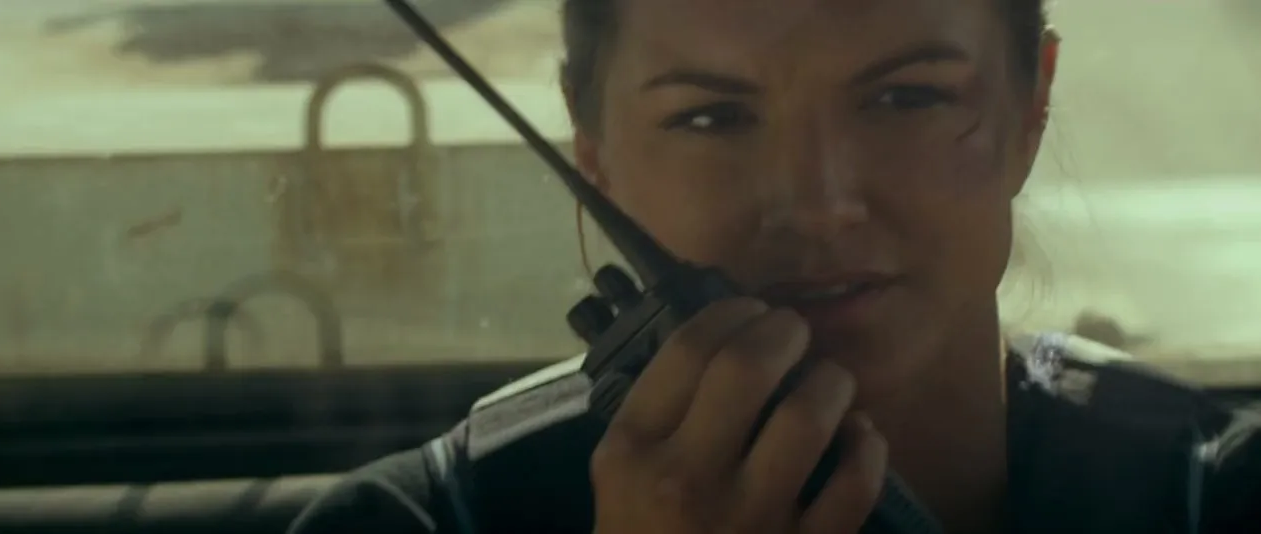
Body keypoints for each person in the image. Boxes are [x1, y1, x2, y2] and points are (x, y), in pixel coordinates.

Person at [289, 0, 1261, 532]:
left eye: (907, 98)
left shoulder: (1224, 499)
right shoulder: (404, 528)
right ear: (593, 153)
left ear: (1030, 109)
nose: (819, 201)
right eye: (710, 117)